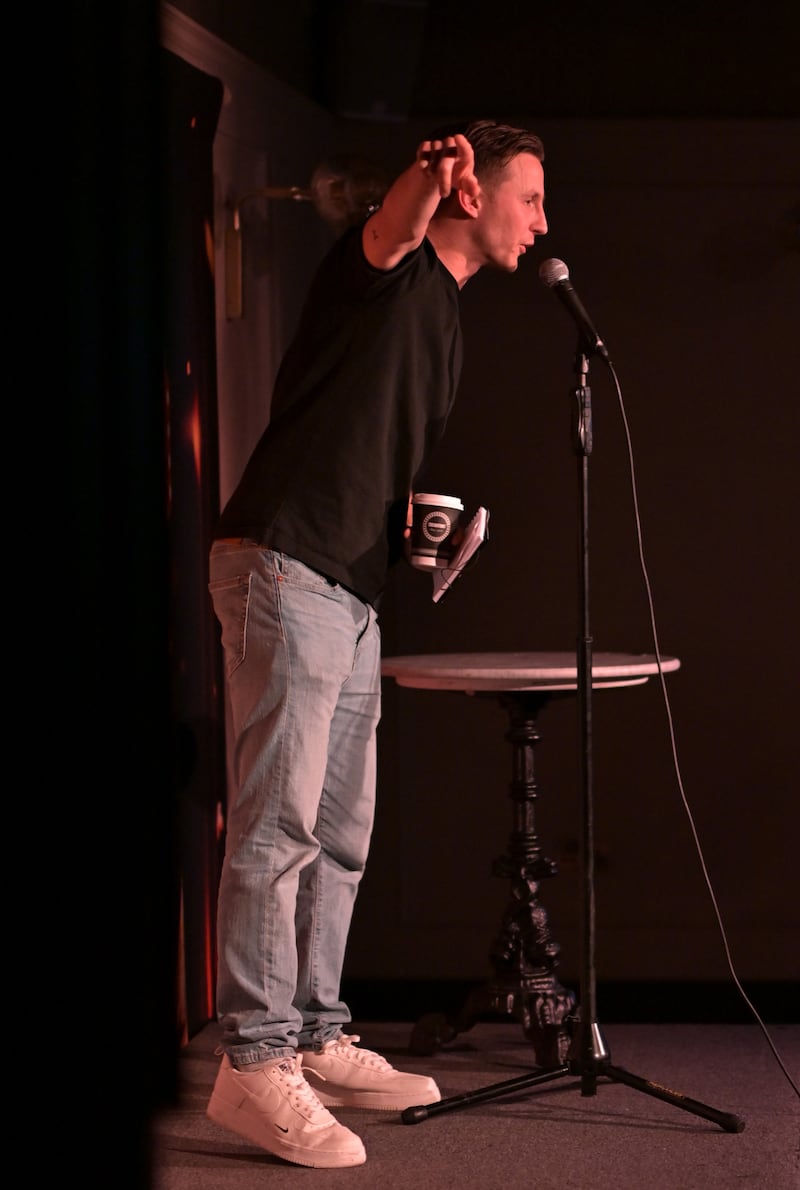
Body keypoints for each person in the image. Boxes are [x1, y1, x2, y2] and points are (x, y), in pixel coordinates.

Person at [206, 118, 548, 1169]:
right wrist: (421, 176)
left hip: (350, 582)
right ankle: (253, 1061)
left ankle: (311, 1030)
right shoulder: (391, 265)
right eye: (527, 197)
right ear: (468, 196)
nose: (541, 221)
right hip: (286, 560)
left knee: (340, 830)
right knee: (280, 822)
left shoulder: (444, 316)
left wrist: (424, 533)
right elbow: (391, 227)